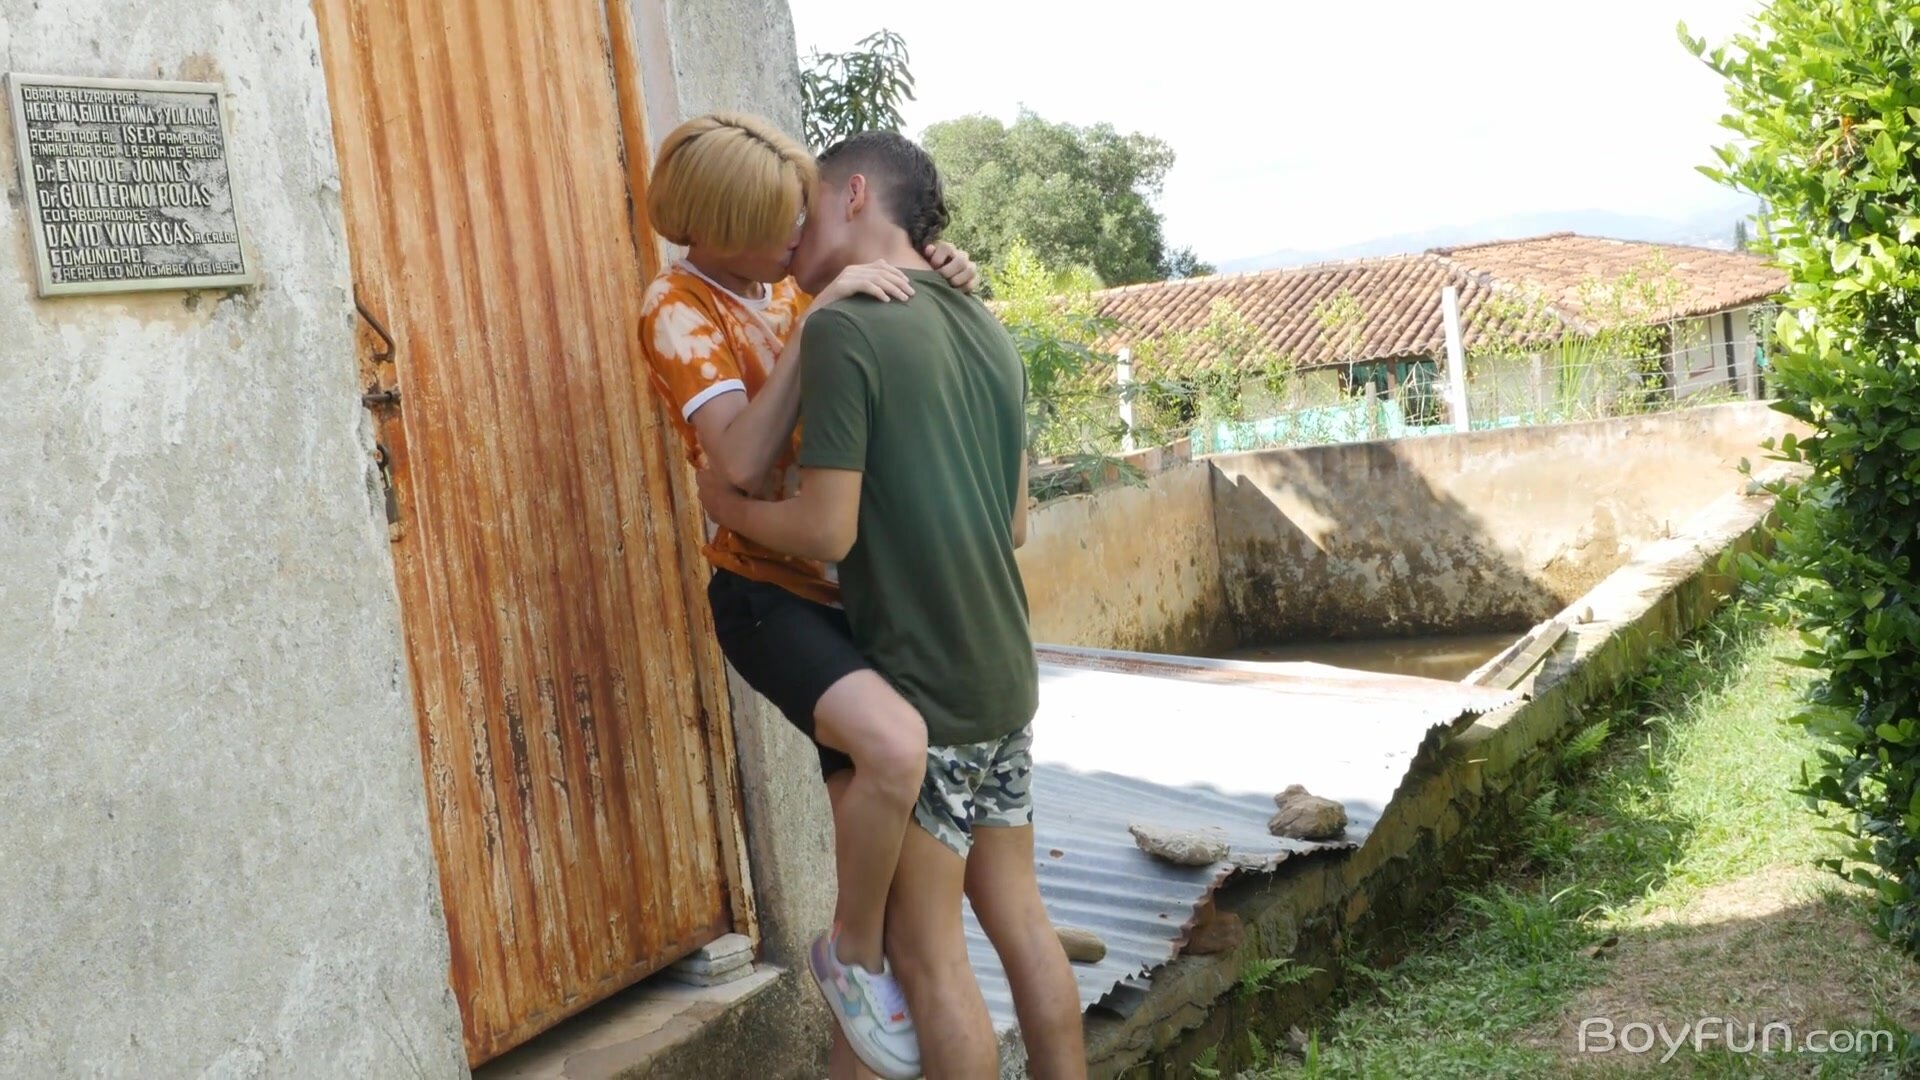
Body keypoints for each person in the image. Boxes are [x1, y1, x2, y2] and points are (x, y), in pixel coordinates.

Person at [698, 131, 1088, 1080]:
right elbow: (1015, 523)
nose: (794, 234)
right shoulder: (985, 323)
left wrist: (728, 508)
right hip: (1003, 672)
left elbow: (827, 531)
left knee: (929, 957)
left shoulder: (845, 330)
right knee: (1021, 920)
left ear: (856, 195)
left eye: (809, 207)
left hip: (926, 682)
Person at [637, 112, 980, 1080]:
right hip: (769, 599)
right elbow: (739, 462)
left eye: (802, 216)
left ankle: (859, 994)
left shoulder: (787, 282)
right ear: (715, 229)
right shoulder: (677, 308)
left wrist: (938, 270)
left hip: (855, 598)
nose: (800, 237)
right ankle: (849, 953)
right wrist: (821, 318)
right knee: (895, 747)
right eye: (778, 226)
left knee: (899, 881)